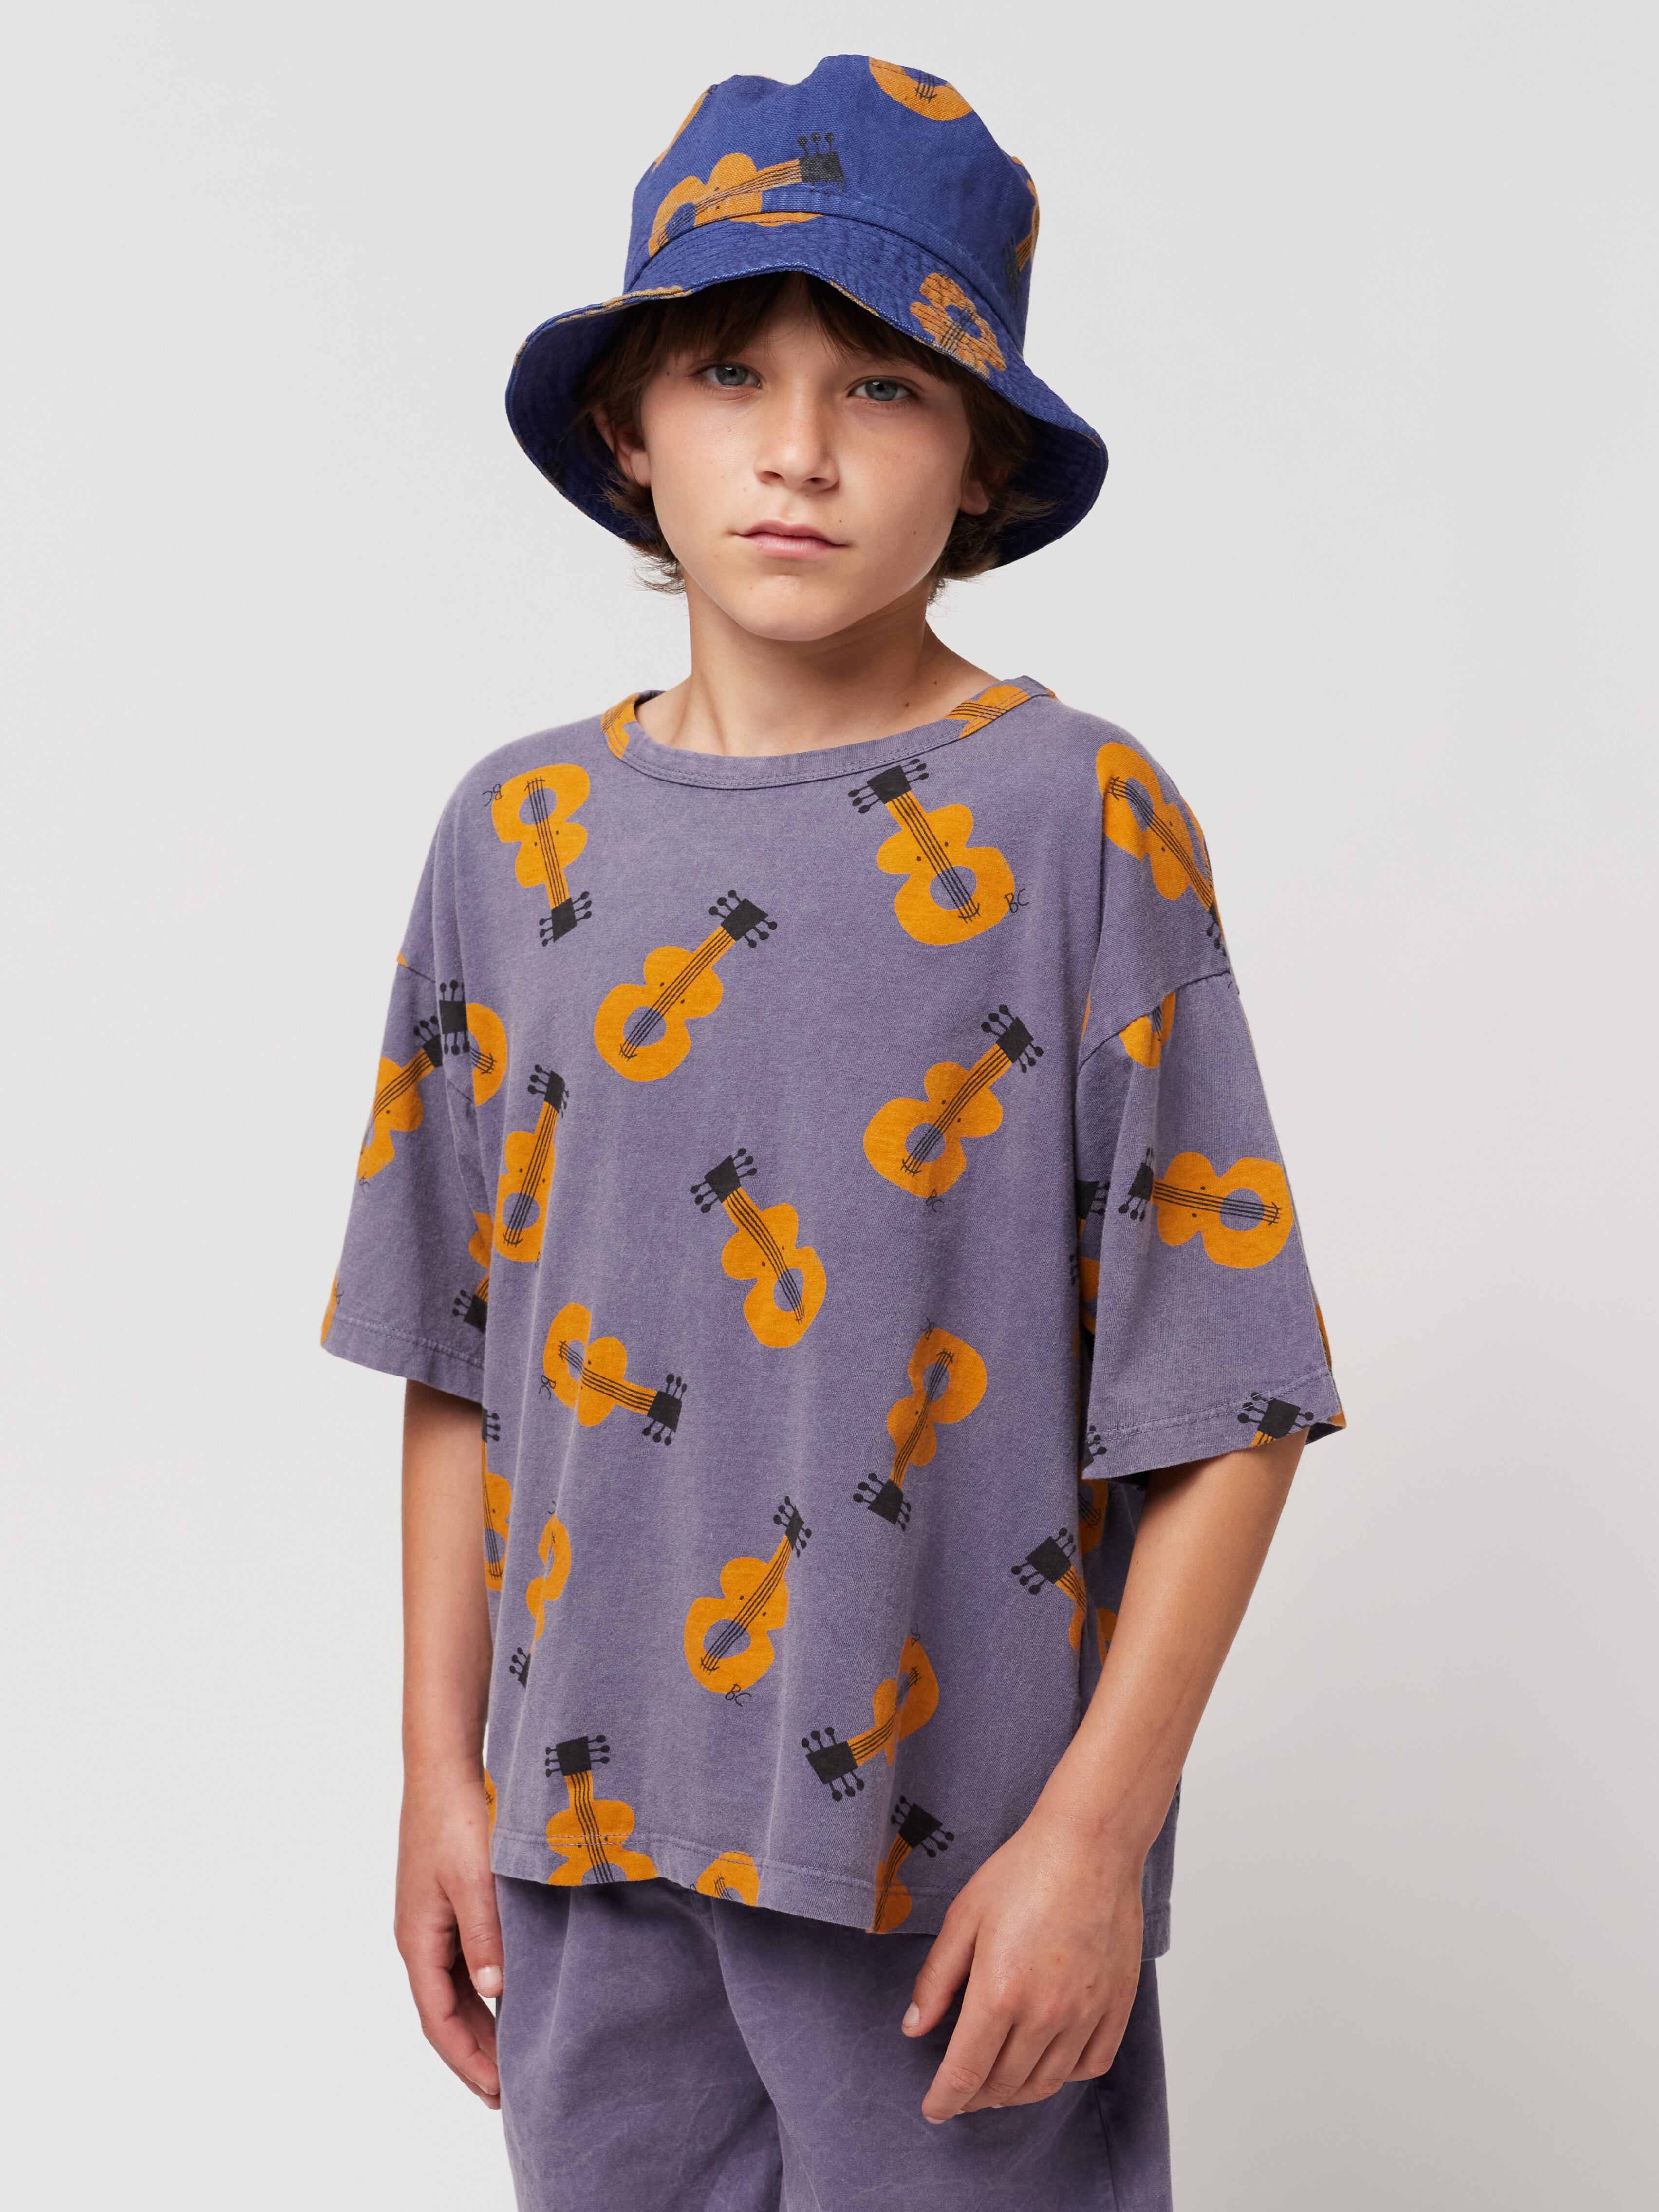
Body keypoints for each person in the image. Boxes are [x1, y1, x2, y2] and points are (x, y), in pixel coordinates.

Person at [321, 54, 1344, 2212]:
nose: (797, 448)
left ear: (982, 458)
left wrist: (1092, 1840)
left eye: (883, 386)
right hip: (585, 1839)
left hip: (953, 1867)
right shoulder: (515, 836)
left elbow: (1228, 1395)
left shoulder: (1079, 819)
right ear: (630, 426)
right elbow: (456, 1360)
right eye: (731, 372)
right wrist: (438, 1773)